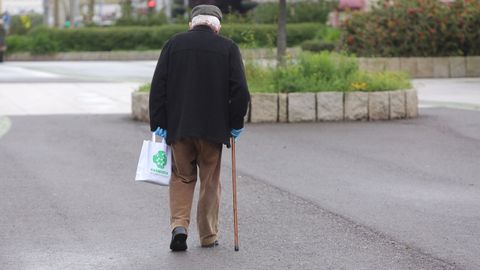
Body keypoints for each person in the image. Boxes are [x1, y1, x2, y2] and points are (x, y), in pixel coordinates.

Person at [149, 5, 250, 251]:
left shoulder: (173, 45)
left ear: (191, 23)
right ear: (217, 26)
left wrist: (159, 123)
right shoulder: (228, 48)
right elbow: (240, 91)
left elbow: (158, 87)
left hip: (180, 127)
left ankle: (179, 227)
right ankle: (208, 236)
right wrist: (235, 123)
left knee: (182, 177)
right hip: (214, 130)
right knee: (210, 182)